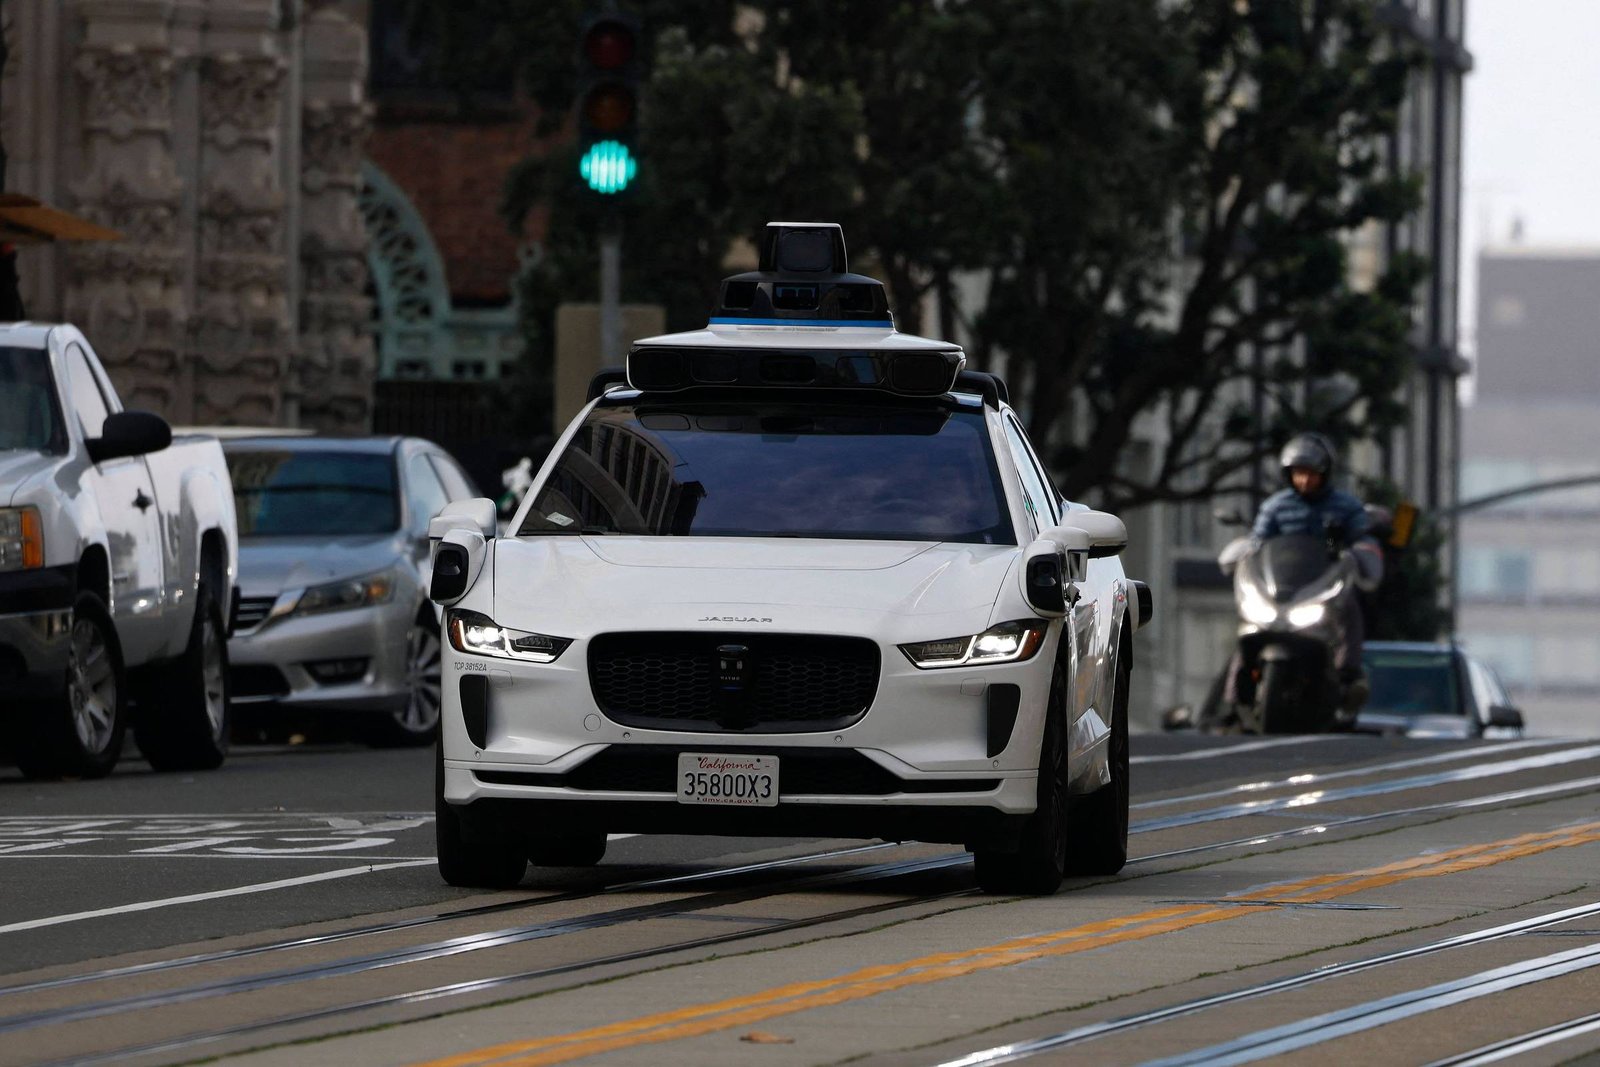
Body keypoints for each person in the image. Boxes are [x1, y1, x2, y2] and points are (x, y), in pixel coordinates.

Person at [1251, 432, 1372, 699]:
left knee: (1350, 608)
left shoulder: (1346, 507)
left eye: (1311, 474)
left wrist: (1356, 548)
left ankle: (1348, 675)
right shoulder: (1275, 507)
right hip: (1281, 588)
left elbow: (1362, 537)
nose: (1305, 480)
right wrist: (1246, 555)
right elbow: (1257, 543)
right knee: (1250, 627)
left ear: (1325, 474)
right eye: (1299, 473)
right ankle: (1234, 692)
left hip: (1325, 585)